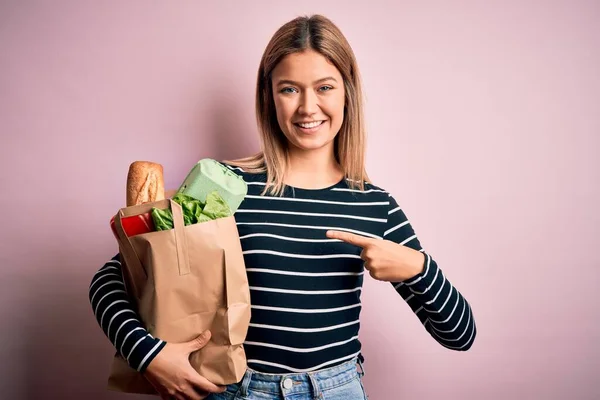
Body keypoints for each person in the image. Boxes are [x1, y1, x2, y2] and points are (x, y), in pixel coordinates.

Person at [89, 14, 476, 400]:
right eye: (289, 89)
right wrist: (148, 355)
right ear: (269, 97)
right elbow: (112, 279)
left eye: (325, 87)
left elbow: (460, 334)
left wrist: (418, 269)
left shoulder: (373, 204)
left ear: (347, 93)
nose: (308, 107)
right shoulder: (226, 186)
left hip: (338, 390)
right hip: (236, 390)